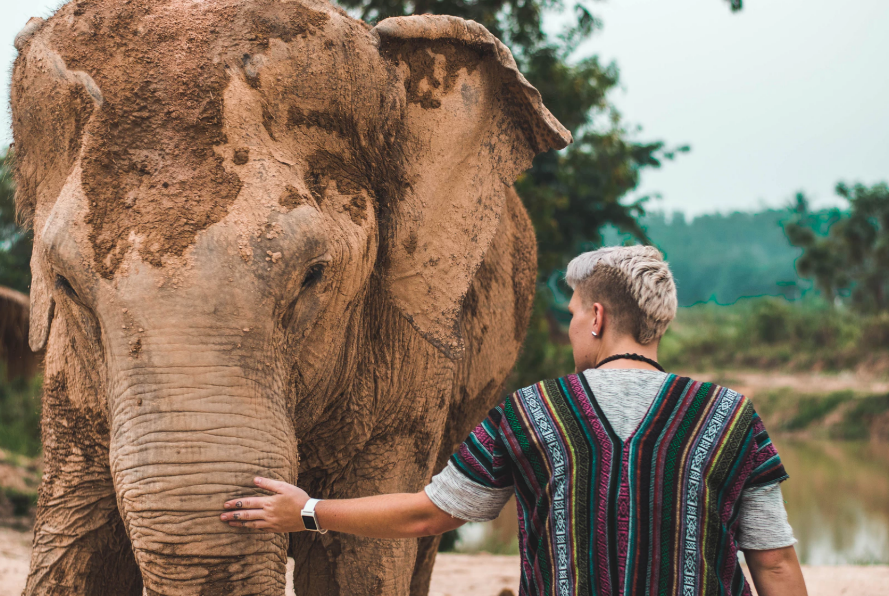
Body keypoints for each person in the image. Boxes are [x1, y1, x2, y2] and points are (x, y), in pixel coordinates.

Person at [220, 245, 807, 596]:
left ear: (597, 317)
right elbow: (775, 562)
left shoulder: (531, 412)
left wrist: (305, 512)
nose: (573, 324)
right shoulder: (733, 418)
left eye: (574, 312)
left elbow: (429, 514)